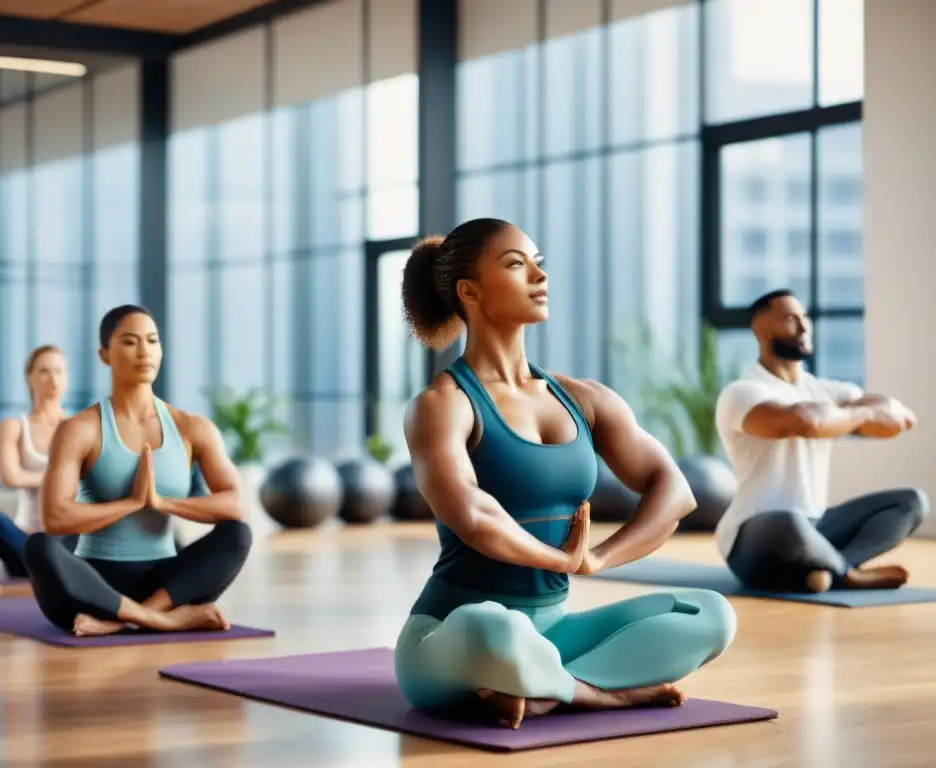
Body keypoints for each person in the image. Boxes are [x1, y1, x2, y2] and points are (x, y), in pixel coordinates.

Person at [394, 218, 736, 730]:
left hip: (552, 631)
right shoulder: (443, 405)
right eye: (516, 264)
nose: (539, 275)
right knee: (490, 630)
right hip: (449, 634)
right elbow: (470, 513)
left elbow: (674, 489)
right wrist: (558, 557)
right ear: (470, 292)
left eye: (540, 263)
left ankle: (538, 686)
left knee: (709, 615)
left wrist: (596, 559)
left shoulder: (585, 399)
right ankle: (599, 695)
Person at [22, 305, 253, 636]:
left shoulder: (192, 428)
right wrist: (129, 504)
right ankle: (164, 620)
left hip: (165, 585)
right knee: (38, 547)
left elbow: (235, 506)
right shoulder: (80, 429)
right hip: (91, 588)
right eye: (130, 342)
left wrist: (162, 503)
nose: (144, 351)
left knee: (238, 535)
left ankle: (125, 620)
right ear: (105, 354)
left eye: (152, 340)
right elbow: (55, 517)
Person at [715, 289, 928, 593]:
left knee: (911, 502)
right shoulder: (742, 392)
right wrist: (864, 413)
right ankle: (846, 574)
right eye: (790, 319)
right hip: (756, 534)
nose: (804, 327)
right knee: (788, 523)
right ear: (760, 330)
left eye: (805, 318)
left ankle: (831, 568)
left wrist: (852, 414)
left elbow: (900, 418)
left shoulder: (826, 391)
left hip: (819, 526)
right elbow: (806, 422)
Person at [0, 345, 77, 578]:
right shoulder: (13, 426)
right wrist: (63, 477)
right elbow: (11, 477)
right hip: (28, 534)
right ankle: (44, 565)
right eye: (44, 371)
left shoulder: (80, 426)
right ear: (29, 377)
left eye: (59, 371)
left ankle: (45, 566)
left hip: (69, 535)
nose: (53, 379)